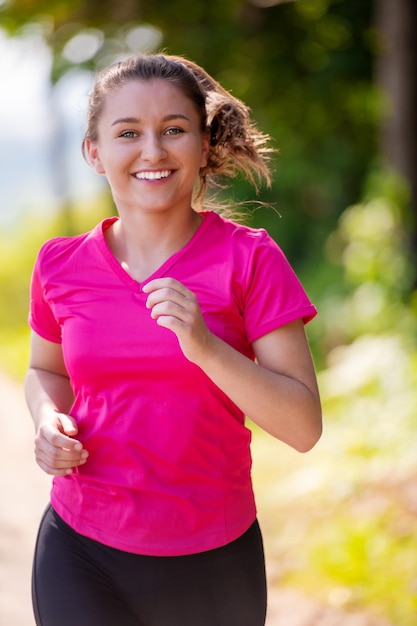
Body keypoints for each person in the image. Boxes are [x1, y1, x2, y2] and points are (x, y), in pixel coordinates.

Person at [25, 53, 322, 626]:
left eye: (174, 130)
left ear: (204, 146)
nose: (153, 151)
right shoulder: (59, 264)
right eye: (128, 133)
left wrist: (207, 347)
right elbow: (47, 371)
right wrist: (45, 419)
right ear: (95, 152)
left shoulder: (250, 258)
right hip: (81, 548)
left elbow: (303, 427)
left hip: (213, 559)